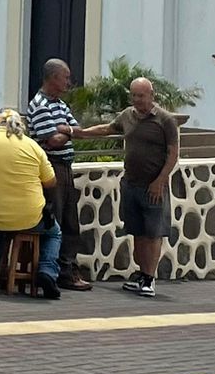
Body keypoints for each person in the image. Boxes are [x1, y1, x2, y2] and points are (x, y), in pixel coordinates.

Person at [76, 76, 180, 297]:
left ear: (151, 95)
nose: (137, 100)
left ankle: (149, 279)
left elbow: (173, 154)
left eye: (141, 95)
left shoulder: (165, 120)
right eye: (133, 95)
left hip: (154, 187)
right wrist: (80, 132)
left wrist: (159, 181)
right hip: (131, 184)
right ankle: (141, 274)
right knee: (137, 232)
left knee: (153, 233)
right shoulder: (127, 115)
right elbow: (108, 128)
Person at [0, 108, 63, 298]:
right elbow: (51, 182)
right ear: (20, 126)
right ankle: (47, 271)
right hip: (31, 217)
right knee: (54, 232)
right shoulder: (33, 146)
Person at [27, 58, 92, 290]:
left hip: (66, 167)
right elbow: (53, 141)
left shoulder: (61, 104)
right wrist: (68, 131)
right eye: (65, 77)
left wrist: (67, 130)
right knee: (55, 219)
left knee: (70, 221)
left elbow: (78, 131)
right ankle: (53, 270)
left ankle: (68, 269)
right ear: (53, 78)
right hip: (51, 166)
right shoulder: (39, 105)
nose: (69, 82)